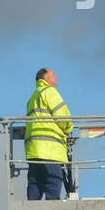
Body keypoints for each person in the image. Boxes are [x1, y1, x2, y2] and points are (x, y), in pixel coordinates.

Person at [25, 67, 73, 201]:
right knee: (54, 181)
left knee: (35, 182)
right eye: (53, 74)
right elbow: (63, 117)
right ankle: (54, 207)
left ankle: (32, 207)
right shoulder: (50, 92)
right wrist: (69, 129)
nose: (56, 77)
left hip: (34, 150)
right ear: (46, 78)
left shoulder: (33, 97)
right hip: (49, 149)